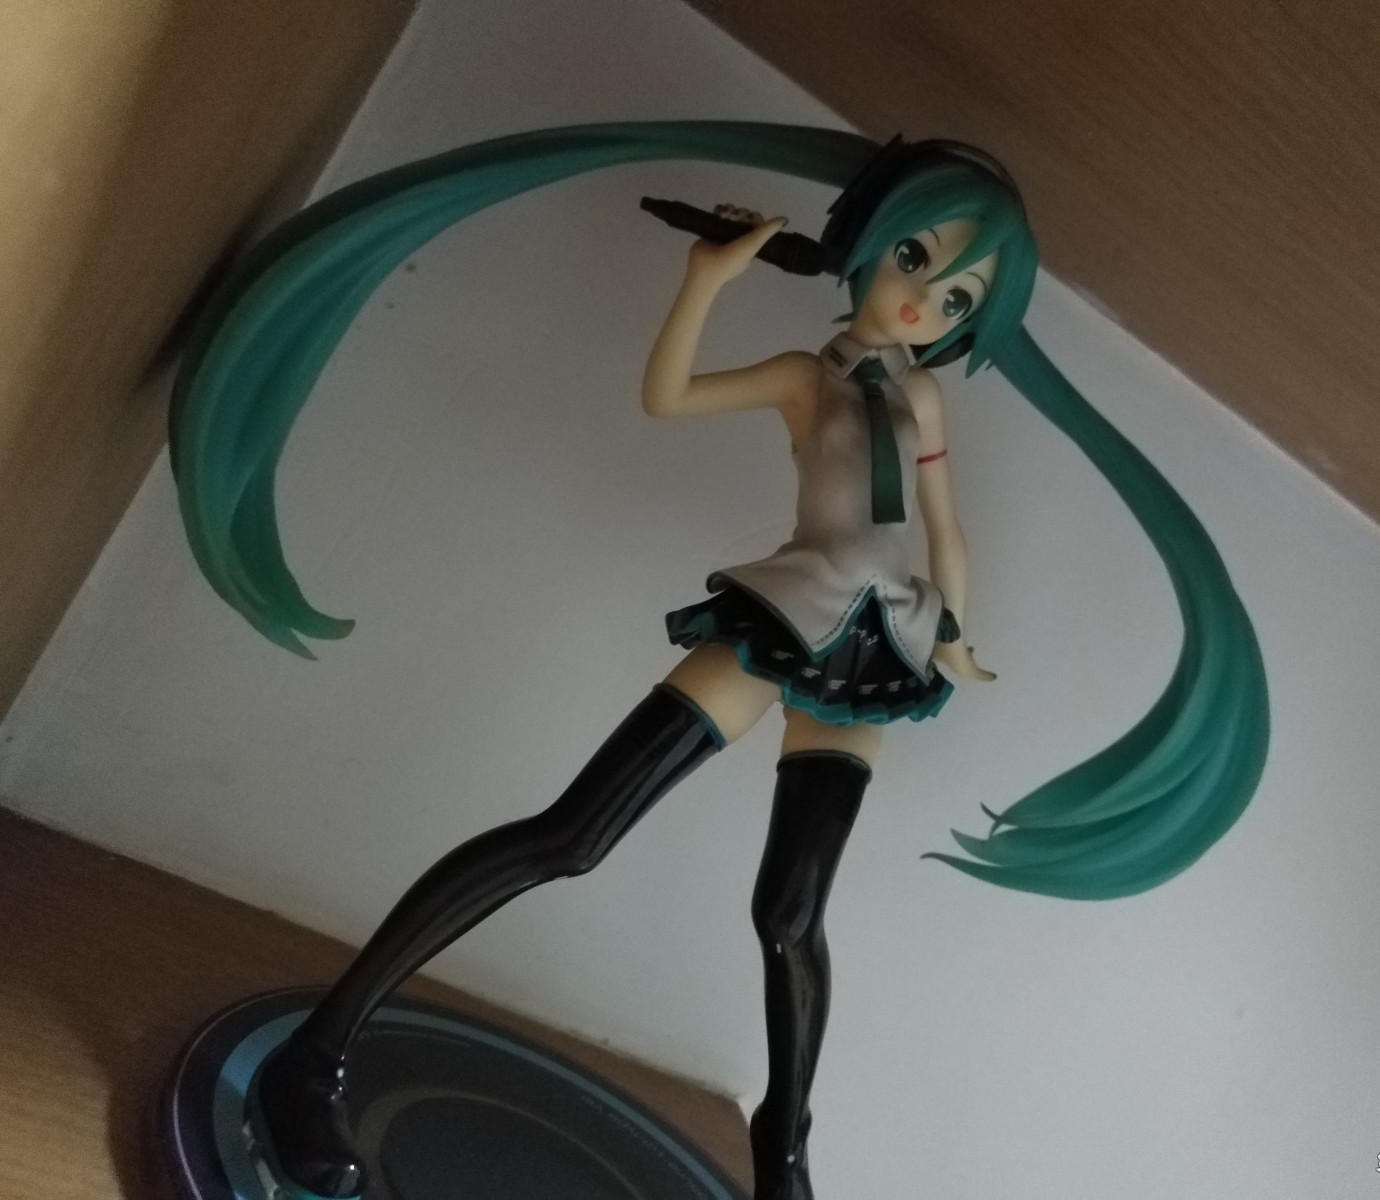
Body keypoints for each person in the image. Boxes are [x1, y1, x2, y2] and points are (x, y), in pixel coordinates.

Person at [169, 124, 1270, 1200]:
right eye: (915, 259)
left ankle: (783, 1157)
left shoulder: (924, 397)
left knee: (790, 918)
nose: (921, 302)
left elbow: (946, 527)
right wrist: (705, 280)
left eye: (955, 300)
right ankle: (318, 1051)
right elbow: (670, 396)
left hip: (881, 650)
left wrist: (955, 635)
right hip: (785, 618)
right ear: (869, 239)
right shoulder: (805, 378)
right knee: (571, 835)